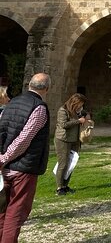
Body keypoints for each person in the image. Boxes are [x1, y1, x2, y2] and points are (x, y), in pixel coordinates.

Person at [0, 73, 51, 242]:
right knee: (15, 213)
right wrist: (4, 158)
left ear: (29, 84)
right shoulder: (39, 107)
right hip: (22, 167)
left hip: (4, 167)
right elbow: (24, 139)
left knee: (2, 212)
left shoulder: (11, 103)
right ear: (47, 88)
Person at [54, 93, 89, 195]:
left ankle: (65, 185)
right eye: (79, 104)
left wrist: (84, 117)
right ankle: (59, 187)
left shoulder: (76, 111)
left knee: (71, 164)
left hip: (74, 140)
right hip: (63, 140)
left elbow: (84, 116)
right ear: (75, 102)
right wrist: (78, 121)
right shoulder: (63, 110)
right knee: (63, 164)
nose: (80, 106)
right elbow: (63, 125)